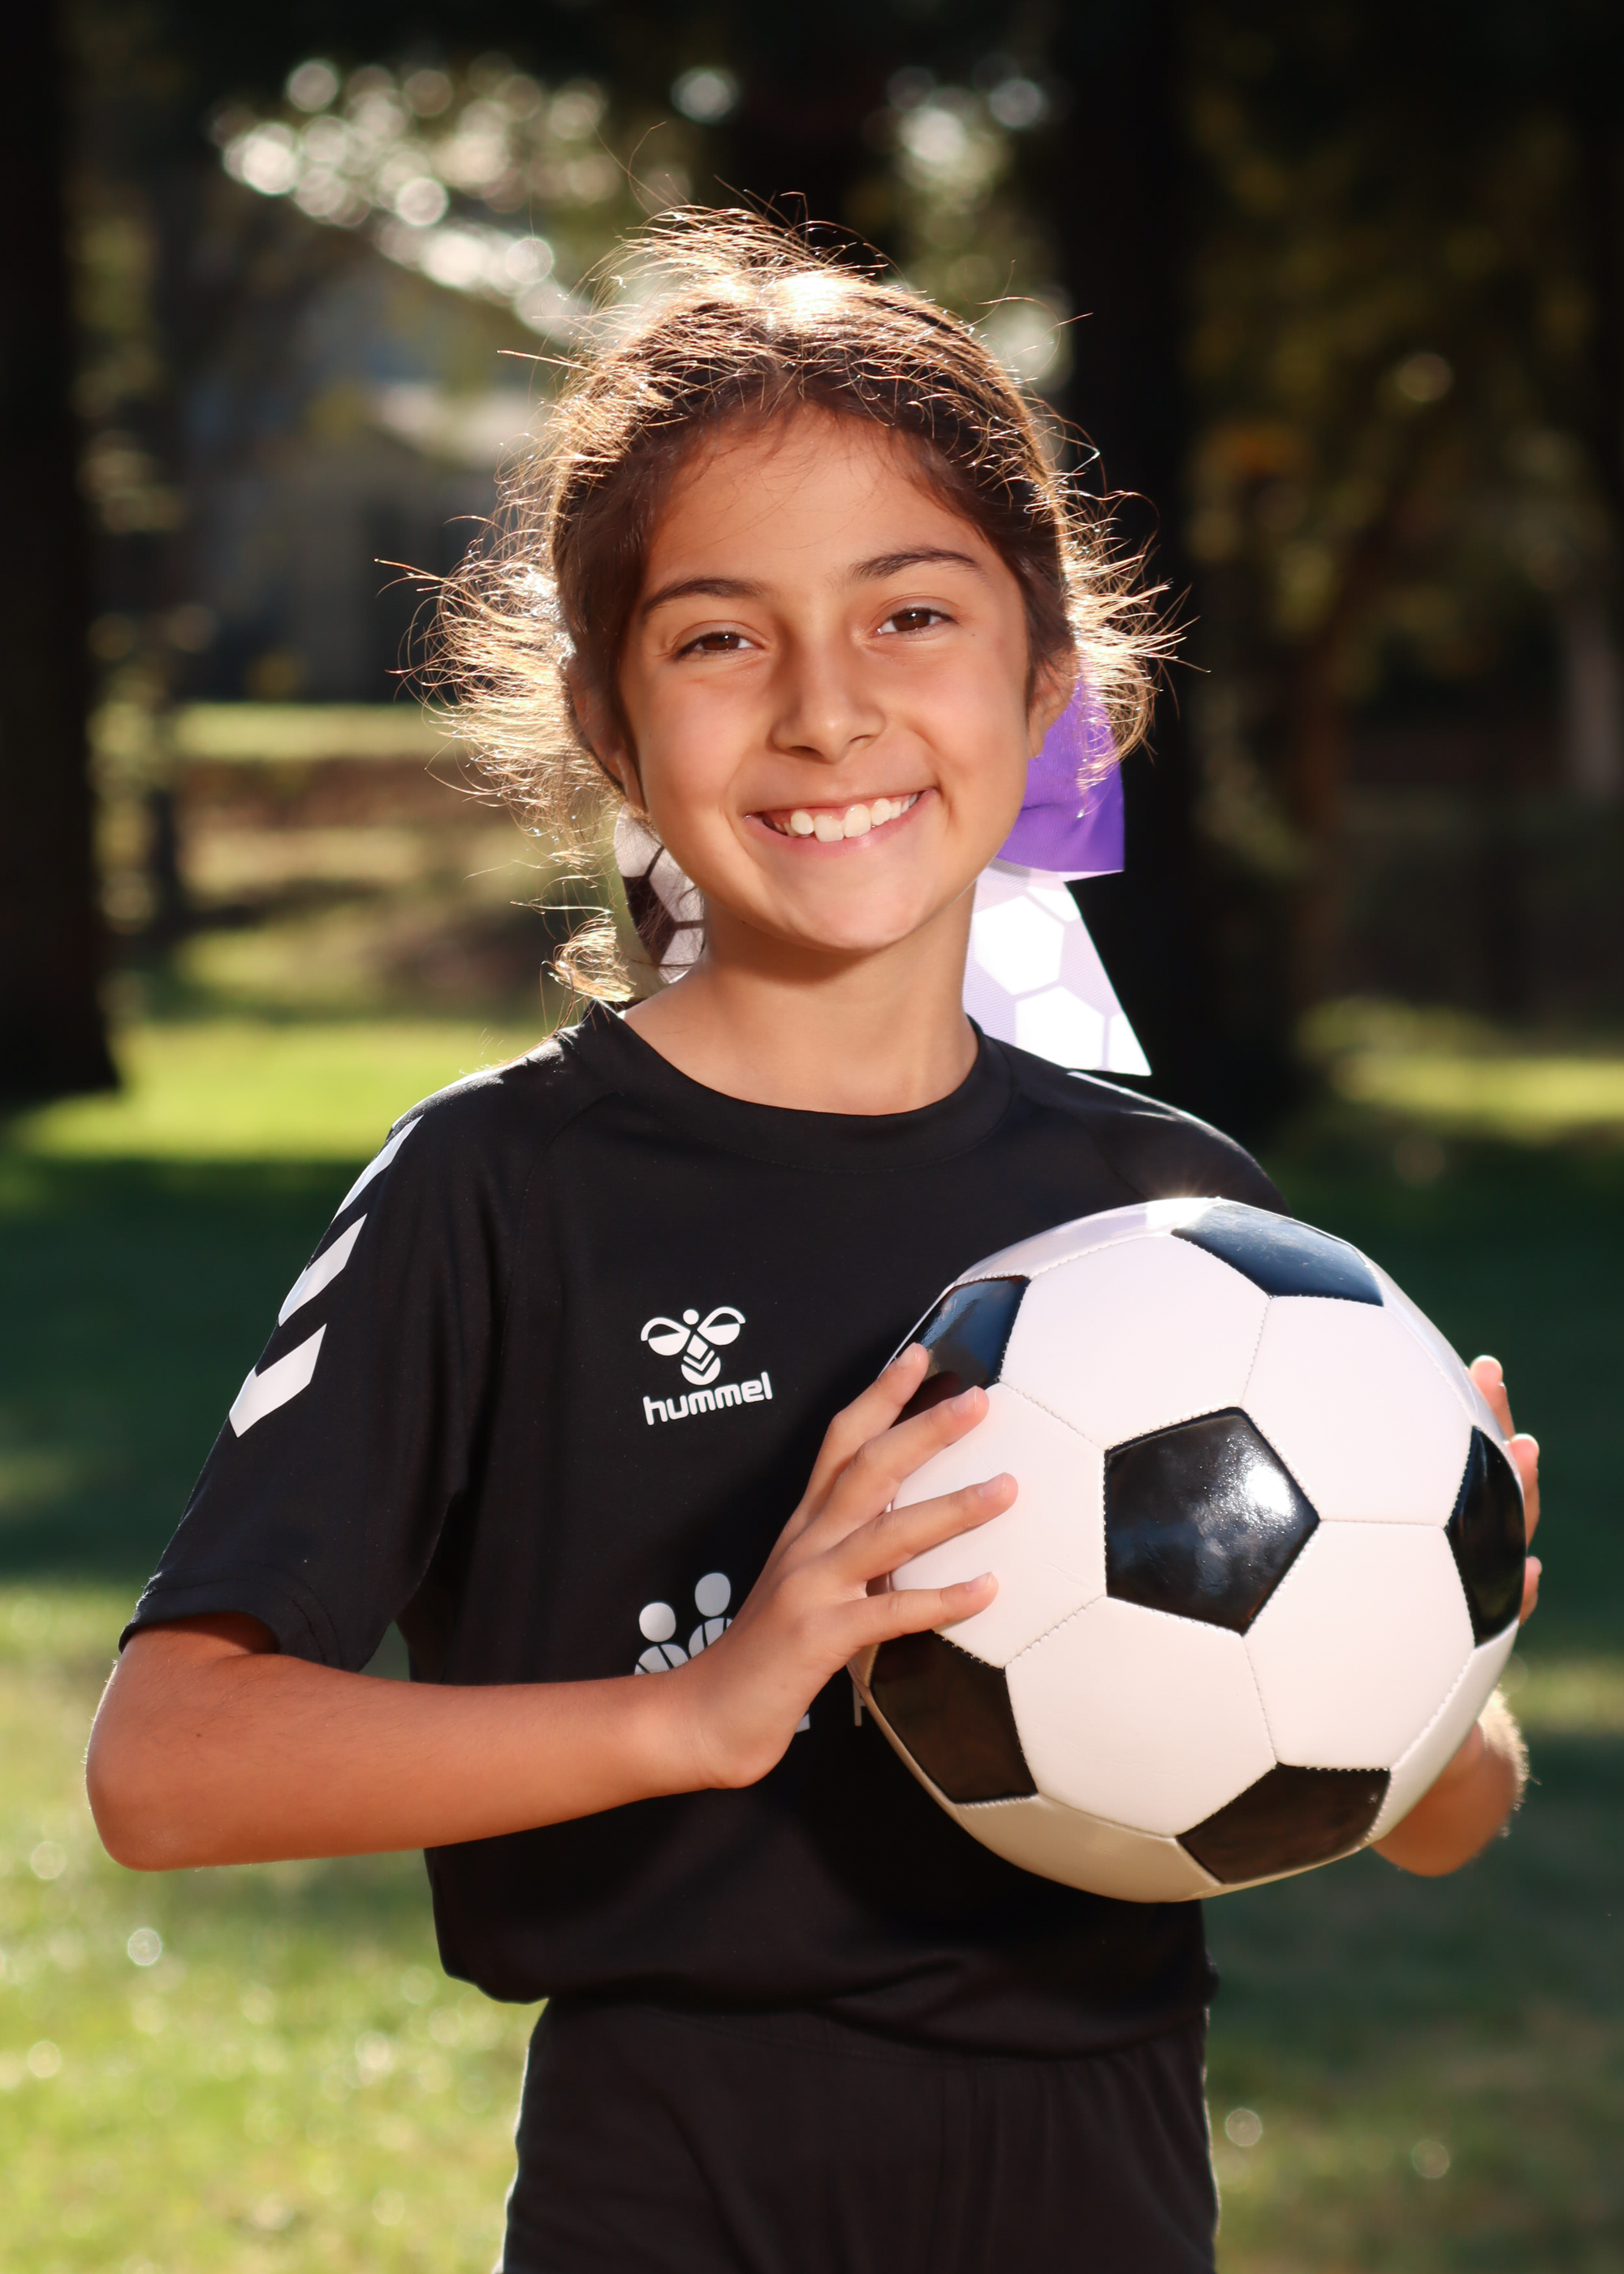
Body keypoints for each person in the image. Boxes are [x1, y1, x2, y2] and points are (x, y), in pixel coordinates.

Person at [87, 214, 1541, 2274]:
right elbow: (166, 1766)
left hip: (1107, 2190)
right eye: (719, 637)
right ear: (608, 721)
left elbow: (1442, 1814)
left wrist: (1426, 1611)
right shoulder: (499, 1191)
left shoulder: (1173, 1217)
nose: (826, 710)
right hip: (672, 2184)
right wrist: (693, 1712)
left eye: (910, 613)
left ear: (1046, 684)